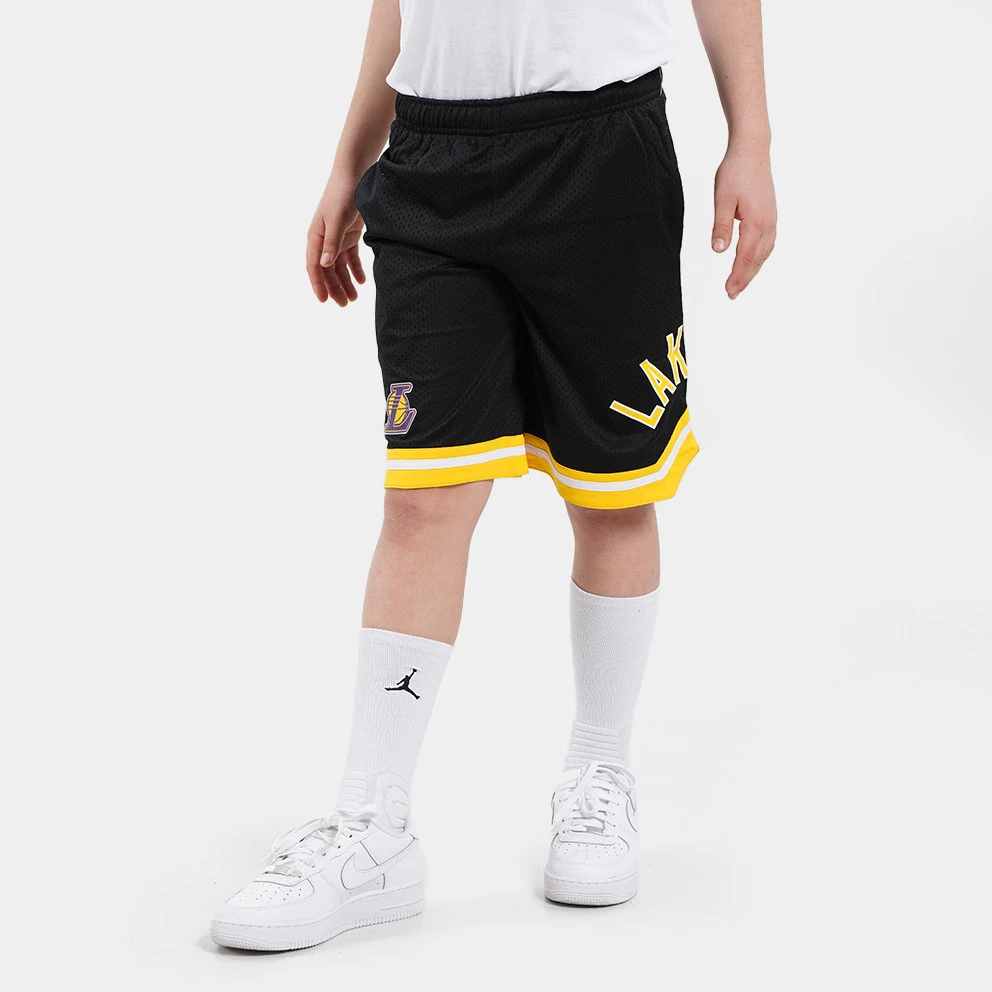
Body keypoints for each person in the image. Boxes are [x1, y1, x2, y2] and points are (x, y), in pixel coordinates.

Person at [210, 0, 776, 951]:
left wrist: (749, 139)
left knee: (612, 495)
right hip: (433, 161)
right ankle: (373, 821)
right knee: (421, 496)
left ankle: (599, 772)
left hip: (601, 154)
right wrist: (348, 162)